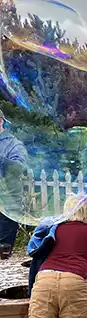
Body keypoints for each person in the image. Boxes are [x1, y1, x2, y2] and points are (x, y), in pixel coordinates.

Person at [0, 109, 28, 254]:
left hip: (8, 207)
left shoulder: (14, 145)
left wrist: (1, 160)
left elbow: (20, 168)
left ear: (0, 121)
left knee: (3, 254)